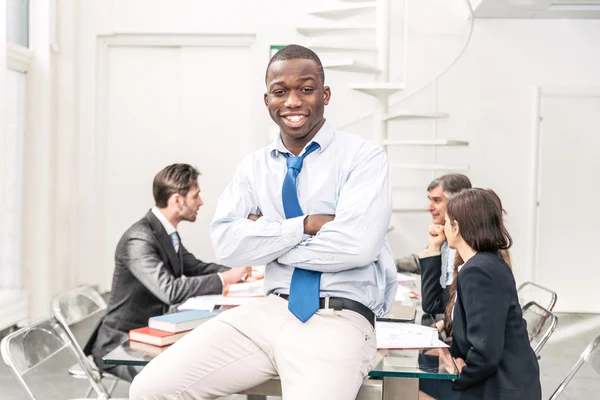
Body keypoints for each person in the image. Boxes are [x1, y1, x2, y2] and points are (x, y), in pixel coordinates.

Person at [129, 44, 397, 400]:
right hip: (268, 310)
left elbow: (357, 247)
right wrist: (304, 226)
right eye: (280, 91)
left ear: (325, 94)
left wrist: (268, 242)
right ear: (267, 98)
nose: (292, 102)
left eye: (306, 89)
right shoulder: (254, 167)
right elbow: (226, 242)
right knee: (150, 389)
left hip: (338, 318)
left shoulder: (363, 158)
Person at [87, 163, 251, 382]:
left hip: (153, 334)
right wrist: (226, 279)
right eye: (196, 196)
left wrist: (239, 273)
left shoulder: (166, 233)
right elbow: (169, 291)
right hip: (121, 343)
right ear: (177, 200)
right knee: (178, 381)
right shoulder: (139, 239)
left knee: (205, 363)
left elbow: (196, 267)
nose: (201, 202)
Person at [419, 189, 541, 400]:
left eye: (447, 222)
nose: (443, 227)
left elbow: (486, 352)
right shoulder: (481, 263)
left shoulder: (479, 272)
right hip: (491, 380)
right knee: (420, 372)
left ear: (456, 228)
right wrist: (433, 249)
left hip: (498, 388)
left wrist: (459, 375)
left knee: (412, 385)